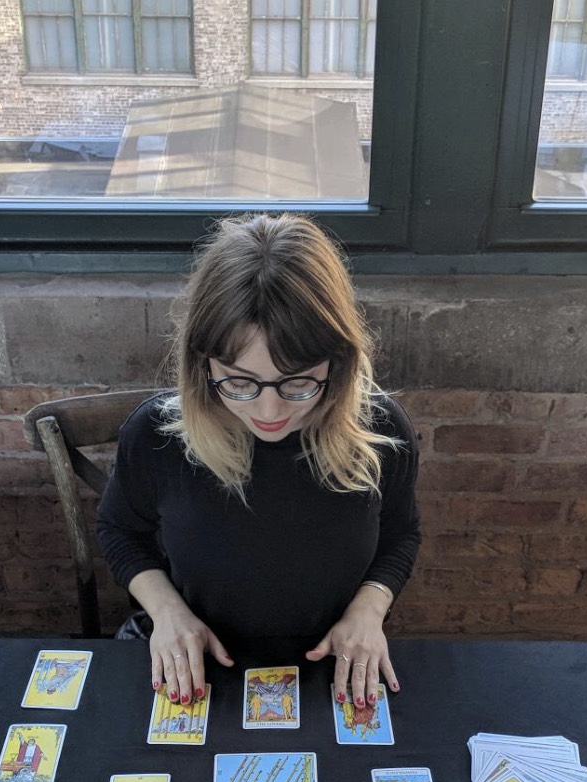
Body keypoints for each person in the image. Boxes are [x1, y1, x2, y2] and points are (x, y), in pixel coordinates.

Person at [97, 211, 421, 709]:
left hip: (326, 663)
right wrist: (166, 612)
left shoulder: (381, 431)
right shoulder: (156, 435)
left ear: (338, 363)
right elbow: (119, 530)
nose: (269, 412)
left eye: (297, 382)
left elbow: (401, 533)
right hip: (200, 658)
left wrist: (369, 610)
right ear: (201, 363)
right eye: (239, 382)